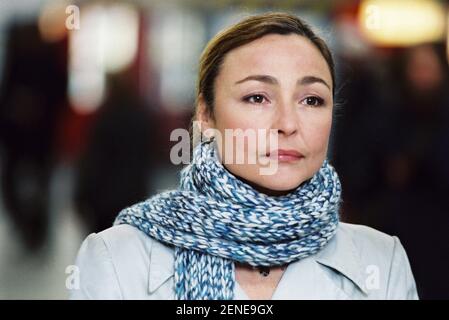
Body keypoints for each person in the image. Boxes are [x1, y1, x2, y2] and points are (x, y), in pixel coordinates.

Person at [69, 12, 418, 300]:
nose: (287, 123)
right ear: (205, 116)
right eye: (257, 97)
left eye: (311, 100)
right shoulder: (117, 258)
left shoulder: (382, 261)